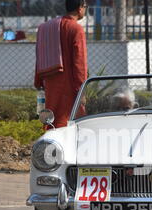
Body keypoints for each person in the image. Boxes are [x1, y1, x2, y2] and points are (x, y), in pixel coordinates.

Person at [34, 0, 88, 128]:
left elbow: (39, 56)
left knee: (51, 120)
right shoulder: (76, 29)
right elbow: (80, 63)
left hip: (49, 82)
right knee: (68, 121)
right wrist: (82, 90)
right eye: (85, 6)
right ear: (80, 8)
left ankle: (51, 145)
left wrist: (38, 81)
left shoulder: (46, 27)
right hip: (69, 84)